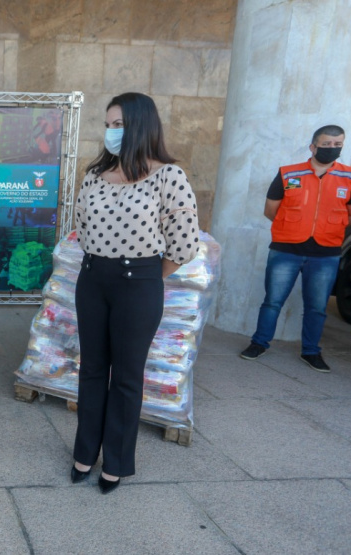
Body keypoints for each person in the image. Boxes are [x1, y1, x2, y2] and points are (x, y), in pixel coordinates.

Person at [71, 92, 199, 494]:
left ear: (142, 126)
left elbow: (184, 243)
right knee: (92, 370)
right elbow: (82, 226)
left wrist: (146, 276)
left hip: (138, 283)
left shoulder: (168, 176)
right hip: (92, 278)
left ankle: (117, 461)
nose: (112, 132)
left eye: (120, 125)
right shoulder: (95, 174)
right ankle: (84, 452)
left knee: (126, 376)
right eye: (108, 125)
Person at [240, 125, 351, 372]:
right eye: (326, 144)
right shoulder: (288, 173)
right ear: (313, 146)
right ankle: (259, 343)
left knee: (316, 307)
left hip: (325, 253)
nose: (332, 149)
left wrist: (327, 227)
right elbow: (270, 210)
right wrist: (293, 227)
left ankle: (311, 351)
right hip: (286, 249)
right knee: (273, 301)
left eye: (337, 145)